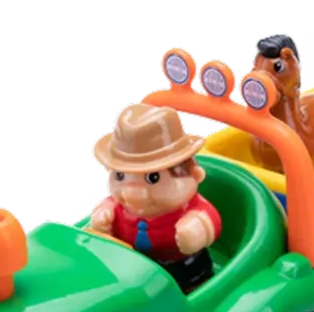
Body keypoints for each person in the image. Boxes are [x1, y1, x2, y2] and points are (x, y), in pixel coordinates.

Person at [90, 103, 222, 293]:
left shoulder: (191, 208)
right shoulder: (118, 205)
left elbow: (208, 217)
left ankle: (199, 290)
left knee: (193, 278)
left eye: (153, 178)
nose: (131, 193)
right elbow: (108, 205)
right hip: (132, 263)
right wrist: (103, 215)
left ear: (194, 176)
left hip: (181, 264)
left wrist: (199, 228)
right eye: (120, 176)